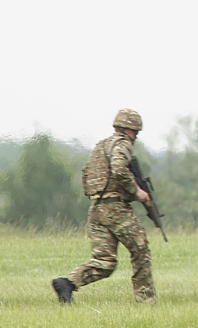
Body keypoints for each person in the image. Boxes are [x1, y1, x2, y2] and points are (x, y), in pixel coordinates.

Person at [51, 109, 155, 304]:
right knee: (141, 251)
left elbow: (89, 175)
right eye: (136, 132)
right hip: (115, 210)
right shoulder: (122, 143)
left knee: (105, 262)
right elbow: (118, 170)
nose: (135, 137)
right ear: (128, 129)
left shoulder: (102, 145)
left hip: (97, 209)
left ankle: (67, 283)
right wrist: (136, 191)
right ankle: (146, 301)